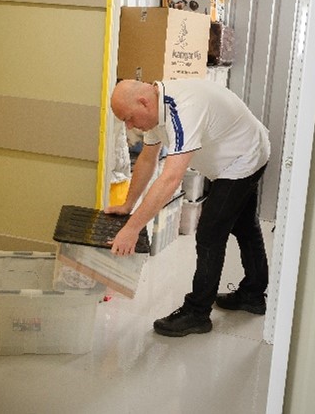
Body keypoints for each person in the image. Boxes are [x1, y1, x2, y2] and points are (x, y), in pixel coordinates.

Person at [104, 79, 270, 337]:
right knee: (244, 225)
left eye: (128, 118)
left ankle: (197, 313)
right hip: (236, 152)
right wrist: (128, 205)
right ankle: (253, 294)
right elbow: (148, 160)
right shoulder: (154, 109)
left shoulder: (182, 108)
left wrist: (133, 228)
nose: (129, 126)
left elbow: (170, 178)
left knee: (209, 233)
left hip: (243, 158)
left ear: (143, 102)